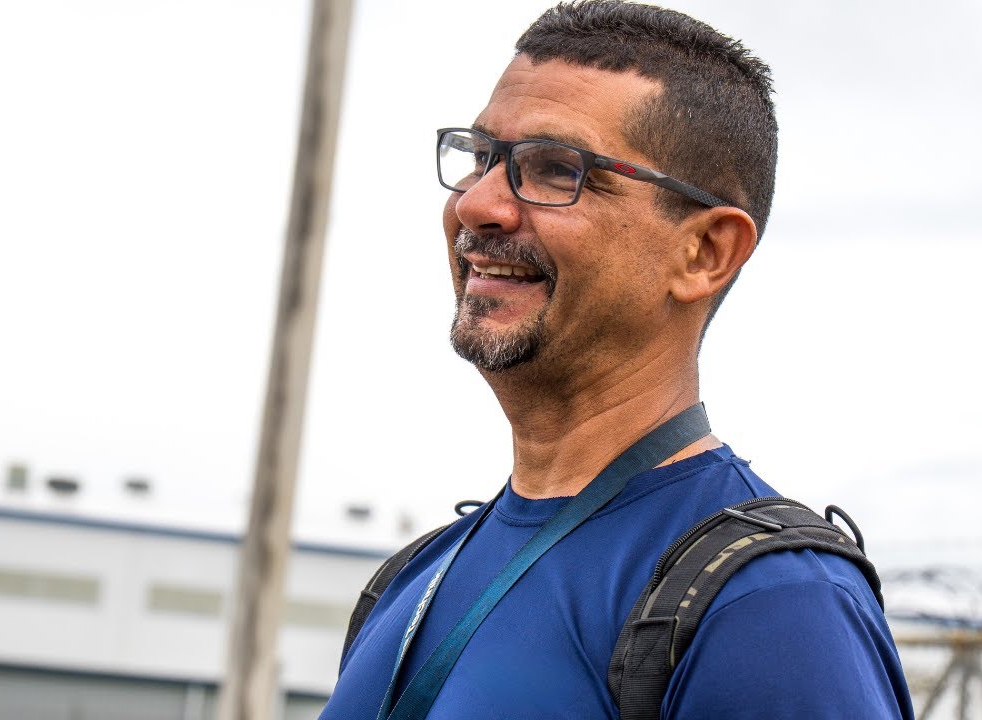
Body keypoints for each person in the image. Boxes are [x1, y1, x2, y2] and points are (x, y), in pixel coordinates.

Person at [322, 2, 914, 718]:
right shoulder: (414, 577)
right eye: (481, 157)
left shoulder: (774, 606)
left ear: (705, 252)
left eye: (555, 169)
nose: (478, 204)